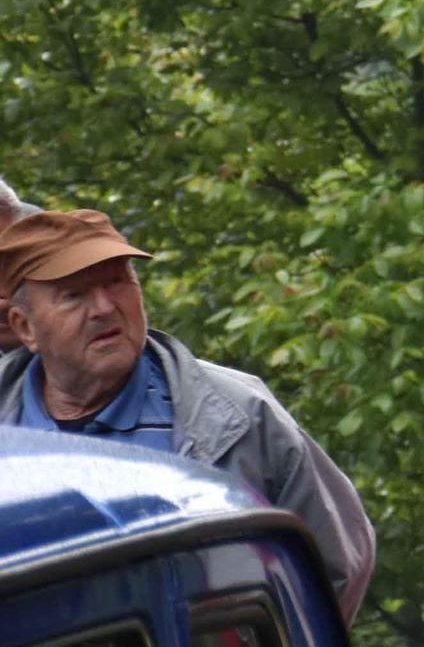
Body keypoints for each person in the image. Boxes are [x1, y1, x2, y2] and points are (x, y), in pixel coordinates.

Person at [0, 209, 375, 616]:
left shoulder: (240, 415)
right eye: (74, 294)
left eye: (118, 280)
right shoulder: (11, 431)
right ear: (26, 328)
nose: (105, 307)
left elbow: (339, 566)